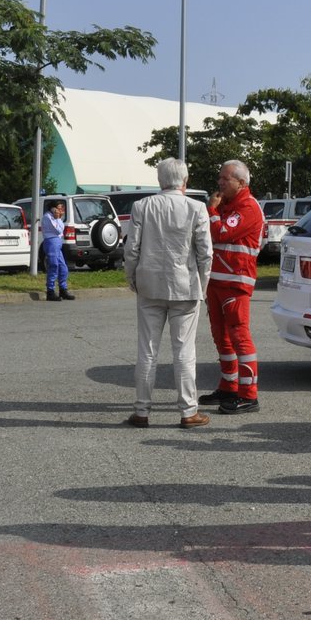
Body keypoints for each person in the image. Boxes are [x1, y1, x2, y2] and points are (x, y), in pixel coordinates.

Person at [124, 157, 214, 429]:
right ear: (185, 181)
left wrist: (133, 280)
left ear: (160, 181)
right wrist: (203, 286)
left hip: (150, 286)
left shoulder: (142, 206)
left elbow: (131, 250)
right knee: (184, 351)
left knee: (147, 351)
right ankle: (188, 412)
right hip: (185, 287)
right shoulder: (197, 208)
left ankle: (142, 411)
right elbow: (206, 254)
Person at [200, 159, 266, 414]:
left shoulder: (248, 207)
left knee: (239, 336)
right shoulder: (227, 206)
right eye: (220, 178)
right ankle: (228, 386)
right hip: (216, 281)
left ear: (241, 182)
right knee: (222, 338)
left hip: (236, 282)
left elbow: (221, 234)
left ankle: (249, 395)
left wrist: (212, 211)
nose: (219, 183)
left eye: (224, 179)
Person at [40, 199, 73, 301]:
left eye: (62, 208)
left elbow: (61, 229)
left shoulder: (56, 218)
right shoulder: (47, 217)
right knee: (54, 265)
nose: (61, 210)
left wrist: (58, 218)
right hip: (51, 241)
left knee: (63, 267)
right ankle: (50, 291)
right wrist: (58, 218)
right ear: (53, 208)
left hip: (57, 241)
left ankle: (63, 289)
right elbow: (58, 230)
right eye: (59, 208)